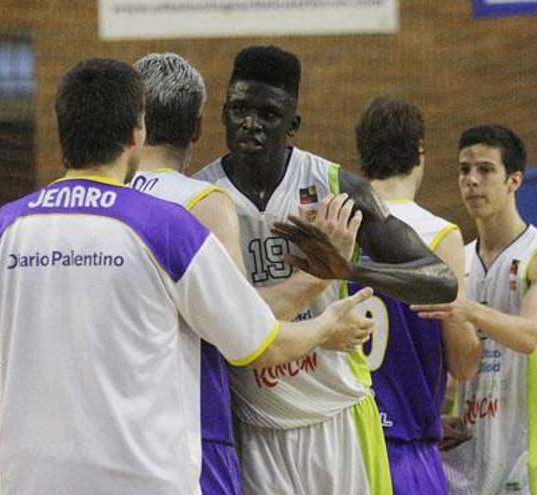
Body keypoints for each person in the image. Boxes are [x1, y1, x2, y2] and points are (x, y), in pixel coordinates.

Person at [0, 57, 375, 495]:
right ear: (137, 133)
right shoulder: (168, 226)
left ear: (62, 132)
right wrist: (326, 325)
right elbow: (258, 344)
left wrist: (17, 444)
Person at [194, 45, 457, 495]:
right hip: (257, 425)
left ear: (293, 126)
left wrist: (351, 269)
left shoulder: (337, 188)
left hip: (340, 416)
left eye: (268, 114)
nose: (250, 124)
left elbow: (442, 282)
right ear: (222, 113)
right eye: (239, 109)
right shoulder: (200, 196)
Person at [130, 52, 360, 495]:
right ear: (201, 125)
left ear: (135, 124)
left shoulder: (93, 206)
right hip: (196, 430)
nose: (252, 125)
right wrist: (324, 298)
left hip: (115, 435)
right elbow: (247, 329)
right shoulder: (201, 201)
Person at [412, 125, 537, 494]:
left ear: (514, 180)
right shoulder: (460, 263)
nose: (472, 181)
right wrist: (434, 417)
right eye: (464, 170)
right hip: (468, 458)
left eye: (486, 170)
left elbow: (529, 335)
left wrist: (470, 311)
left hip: (532, 463)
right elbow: (457, 366)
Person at [348, 95, 481, 494]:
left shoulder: (337, 224)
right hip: (406, 449)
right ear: (419, 150)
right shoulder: (441, 236)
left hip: (342, 445)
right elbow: (461, 360)